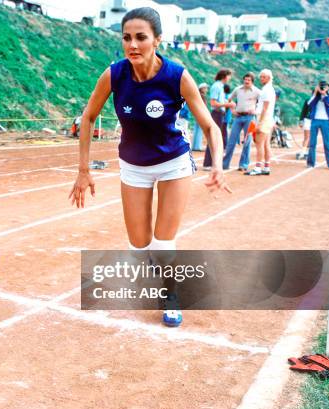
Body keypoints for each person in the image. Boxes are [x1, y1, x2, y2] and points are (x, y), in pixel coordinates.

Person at [69, 7, 230, 328]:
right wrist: (83, 170)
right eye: (127, 37)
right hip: (133, 165)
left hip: (173, 163)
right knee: (139, 247)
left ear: (157, 40)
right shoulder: (114, 75)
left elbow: (210, 127)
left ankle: (171, 295)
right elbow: (86, 118)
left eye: (141, 37)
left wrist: (219, 165)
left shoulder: (176, 76)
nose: (133, 44)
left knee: (163, 242)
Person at [222, 72, 260, 170]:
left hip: (250, 118)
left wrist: (256, 111)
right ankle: (225, 164)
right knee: (231, 141)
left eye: (249, 80)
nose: (246, 81)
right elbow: (228, 100)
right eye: (245, 79)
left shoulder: (257, 91)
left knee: (247, 141)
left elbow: (263, 104)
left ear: (252, 81)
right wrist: (232, 110)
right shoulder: (238, 90)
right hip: (238, 117)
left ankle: (243, 165)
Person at [245, 69, 276, 175]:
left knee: (259, 143)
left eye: (263, 77)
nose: (261, 78)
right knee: (266, 144)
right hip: (267, 118)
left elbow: (265, 108)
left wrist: (259, 123)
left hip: (264, 119)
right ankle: (266, 167)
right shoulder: (269, 89)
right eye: (261, 76)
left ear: (268, 78)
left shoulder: (267, 90)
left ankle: (258, 167)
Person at [203, 69, 235, 170]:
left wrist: (226, 102)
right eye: (229, 76)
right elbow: (213, 103)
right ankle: (208, 163)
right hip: (216, 114)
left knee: (216, 138)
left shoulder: (219, 86)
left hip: (219, 114)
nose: (230, 78)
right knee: (214, 138)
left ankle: (211, 163)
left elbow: (218, 101)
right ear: (225, 76)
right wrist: (227, 104)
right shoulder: (217, 86)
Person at [305, 80, 329, 168]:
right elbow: (309, 104)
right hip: (315, 120)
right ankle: (310, 163)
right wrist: (316, 93)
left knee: (327, 143)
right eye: (321, 86)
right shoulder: (315, 96)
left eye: (324, 86)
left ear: (328, 87)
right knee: (312, 143)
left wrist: (324, 94)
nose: (322, 88)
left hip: (326, 121)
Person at [191, 83, 208, 151]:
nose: (206, 89)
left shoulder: (198, 94)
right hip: (201, 114)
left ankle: (195, 146)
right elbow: (203, 106)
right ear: (202, 88)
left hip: (197, 113)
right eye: (205, 88)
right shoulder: (202, 96)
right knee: (199, 130)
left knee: (197, 129)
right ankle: (197, 147)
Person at [297, 91, 313, 160]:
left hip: (315, 121)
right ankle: (303, 153)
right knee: (307, 137)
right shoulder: (308, 100)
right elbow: (303, 111)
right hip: (307, 120)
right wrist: (301, 120)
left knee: (310, 138)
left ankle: (307, 152)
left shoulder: (320, 101)